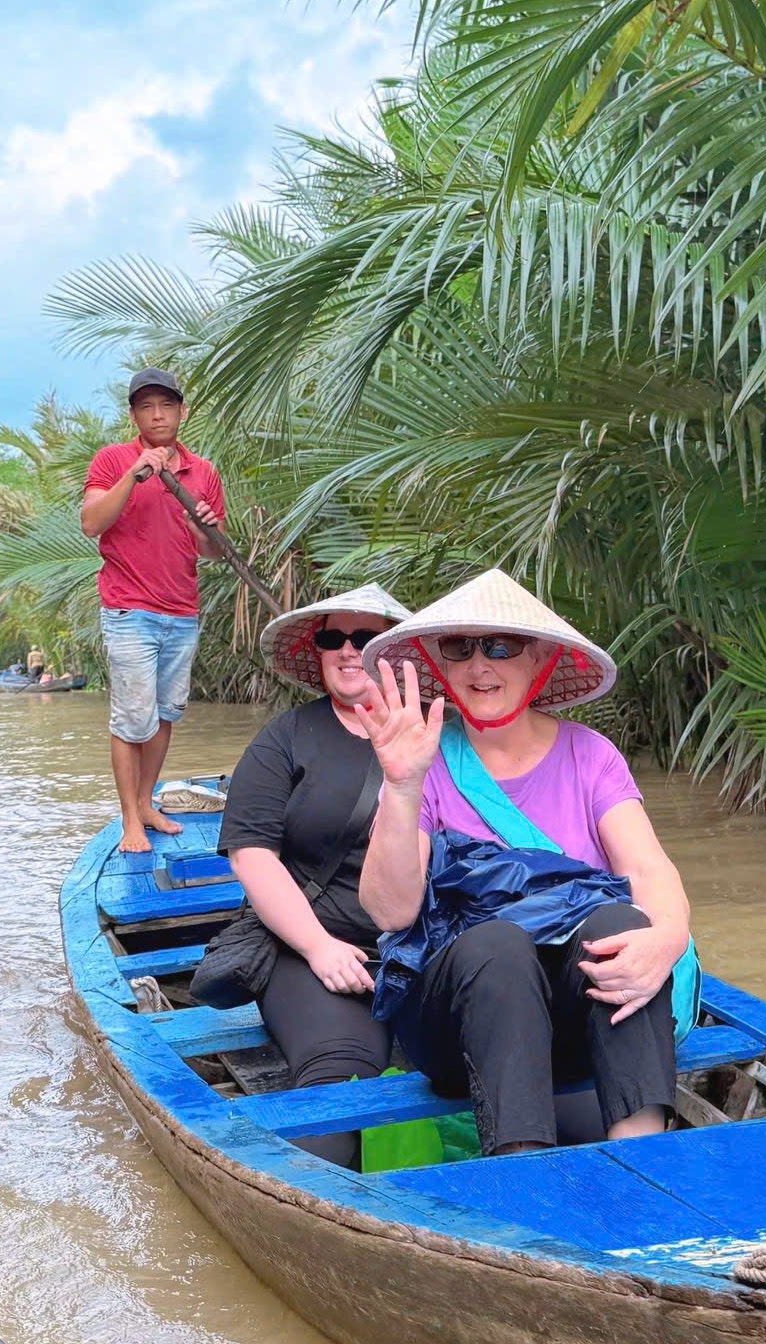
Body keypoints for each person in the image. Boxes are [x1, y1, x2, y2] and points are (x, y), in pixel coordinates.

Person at [356, 570, 695, 1157]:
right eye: (460, 648)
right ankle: (524, 1172)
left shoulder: (591, 755)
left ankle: (644, 1163)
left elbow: (649, 869)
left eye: (500, 647)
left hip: (572, 1018)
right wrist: (403, 784)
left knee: (621, 926)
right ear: (441, 663)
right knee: (500, 945)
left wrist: (666, 939)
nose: (478, 666)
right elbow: (391, 910)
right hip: (460, 1019)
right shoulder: (424, 763)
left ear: (538, 658)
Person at [218, 584, 412, 1168]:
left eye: (368, 638)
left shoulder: (435, 732)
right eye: (334, 638)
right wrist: (320, 947)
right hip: (314, 944)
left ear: (395, 654)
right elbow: (251, 855)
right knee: (339, 1072)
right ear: (319, 651)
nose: (350, 651)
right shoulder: (288, 737)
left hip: (423, 947)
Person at [80, 367, 225, 854]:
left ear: (182, 412)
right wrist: (133, 475)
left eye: (166, 405)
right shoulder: (112, 460)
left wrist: (203, 524)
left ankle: (146, 803)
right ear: (134, 415)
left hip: (182, 610)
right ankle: (129, 822)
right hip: (129, 610)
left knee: (166, 715)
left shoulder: (202, 472)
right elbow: (91, 522)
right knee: (131, 719)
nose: (157, 414)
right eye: (146, 407)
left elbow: (213, 552)